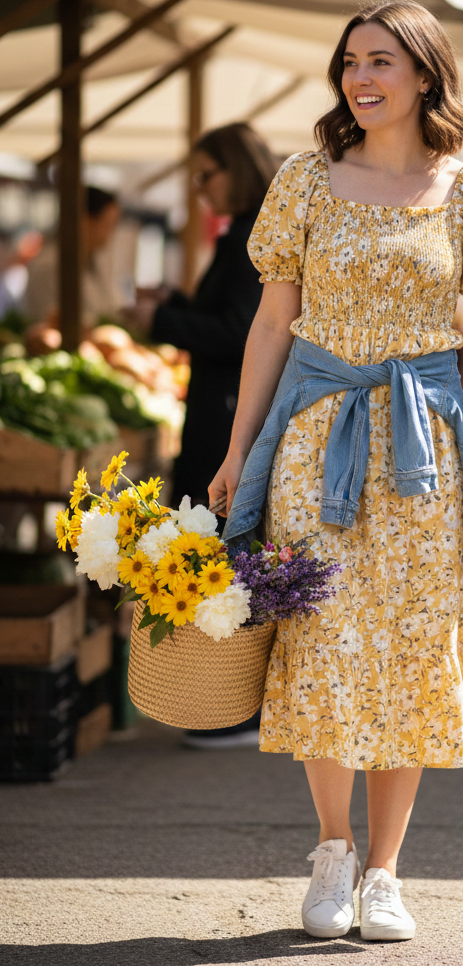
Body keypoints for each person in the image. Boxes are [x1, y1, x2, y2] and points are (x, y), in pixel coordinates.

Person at [210, 0, 463, 942]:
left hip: (425, 456)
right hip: (317, 448)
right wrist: (238, 453)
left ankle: (386, 872)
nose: (361, 76)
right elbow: (272, 326)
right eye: (351, 60)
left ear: (426, 74)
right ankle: (329, 850)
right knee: (323, 646)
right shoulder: (304, 181)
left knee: (410, 653)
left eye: (382, 60)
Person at [130, 122, 277, 749]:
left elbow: (244, 330)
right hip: (220, 412)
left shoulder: (252, 236)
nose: (197, 188)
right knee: (214, 552)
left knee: (220, 551)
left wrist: (163, 318)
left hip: (226, 419)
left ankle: (230, 706)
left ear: (235, 170)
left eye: (204, 174)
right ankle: (217, 701)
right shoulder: (243, 230)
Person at [23, 186, 123, 329]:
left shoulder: (96, 262)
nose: (111, 234)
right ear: (85, 221)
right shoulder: (49, 267)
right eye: (108, 225)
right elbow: (54, 322)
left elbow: (109, 310)